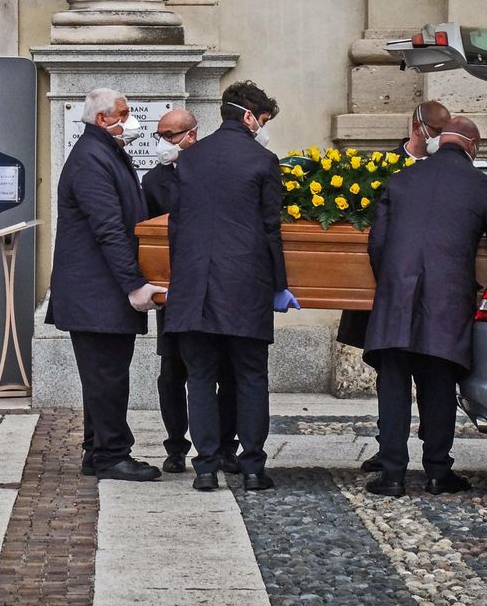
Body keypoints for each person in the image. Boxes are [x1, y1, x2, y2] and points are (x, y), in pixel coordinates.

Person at [362, 116, 487, 497]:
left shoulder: (401, 180)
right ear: (473, 146)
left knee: (394, 386)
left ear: (438, 141)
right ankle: (437, 472)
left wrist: (395, 285)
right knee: (438, 386)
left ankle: (392, 475)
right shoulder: (482, 186)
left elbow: (377, 245)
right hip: (447, 302)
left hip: (395, 301)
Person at [166, 81, 299, 492]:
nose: (262, 127)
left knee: (200, 377)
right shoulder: (263, 161)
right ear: (248, 117)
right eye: (262, 120)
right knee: (251, 376)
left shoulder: (189, 160)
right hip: (245, 285)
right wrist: (280, 284)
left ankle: (205, 467)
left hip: (194, 287)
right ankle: (253, 466)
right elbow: (269, 230)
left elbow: (177, 227)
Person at [48, 87, 166, 482]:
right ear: (102, 119)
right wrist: (134, 285)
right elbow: (109, 229)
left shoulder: (104, 152)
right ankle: (112, 454)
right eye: (124, 112)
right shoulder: (92, 157)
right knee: (108, 376)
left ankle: (97, 450)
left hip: (97, 291)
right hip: (97, 292)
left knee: (103, 375)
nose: (131, 119)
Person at [338, 100, 452, 472]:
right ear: (416, 126)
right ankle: (389, 449)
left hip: (431, 292)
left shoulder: (448, 168)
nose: (438, 139)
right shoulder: (380, 169)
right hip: (388, 290)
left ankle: (429, 454)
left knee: (431, 375)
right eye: (434, 131)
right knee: (391, 376)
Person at [145, 109, 240, 475]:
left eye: (171, 135)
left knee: (226, 371)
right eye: (161, 136)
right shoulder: (155, 181)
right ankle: (175, 446)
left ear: (192, 134)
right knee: (173, 372)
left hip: (219, 287)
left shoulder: (215, 171)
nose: (165, 142)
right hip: (175, 288)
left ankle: (226, 446)